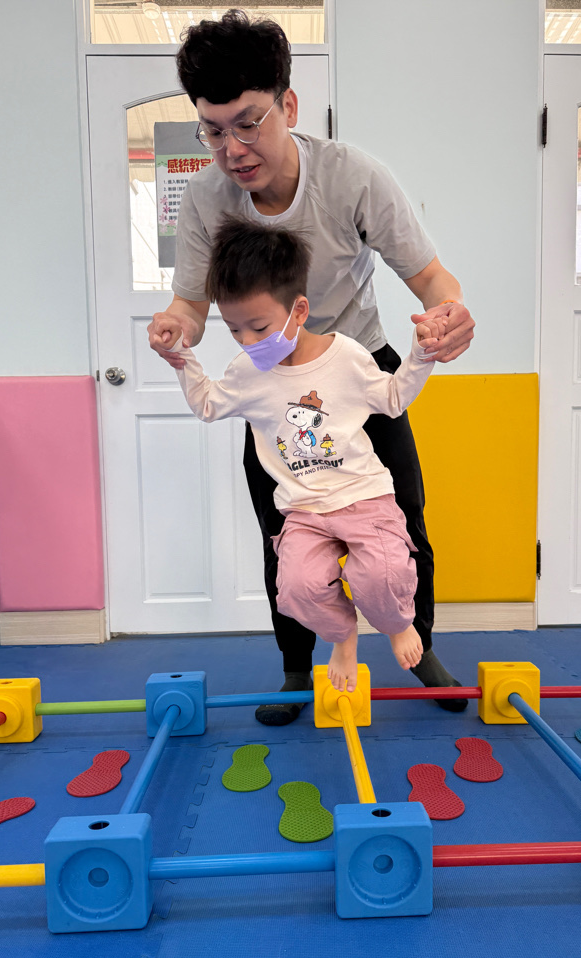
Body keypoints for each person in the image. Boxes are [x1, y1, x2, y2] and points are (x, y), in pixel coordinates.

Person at [148, 9, 475, 724]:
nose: (232, 148)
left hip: (356, 364)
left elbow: (431, 279)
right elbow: (192, 303)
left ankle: (418, 644)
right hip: (272, 378)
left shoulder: (351, 176)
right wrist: (177, 327)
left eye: (248, 123)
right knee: (285, 532)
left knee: (403, 516)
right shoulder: (205, 197)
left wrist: (449, 314)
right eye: (212, 130)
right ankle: (298, 666)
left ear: (288, 106)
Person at [171, 217, 446, 692]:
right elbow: (208, 405)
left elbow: (392, 399)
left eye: (259, 327)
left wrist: (421, 355)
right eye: (234, 330)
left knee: (383, 574)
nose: (248, 341)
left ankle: (398, 624)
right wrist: (181, 358)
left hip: (363, 498)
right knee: (295, 588)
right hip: (303, 509)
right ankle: (342, 637)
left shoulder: (347, 356)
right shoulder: (246, 372)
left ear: (299, 310)